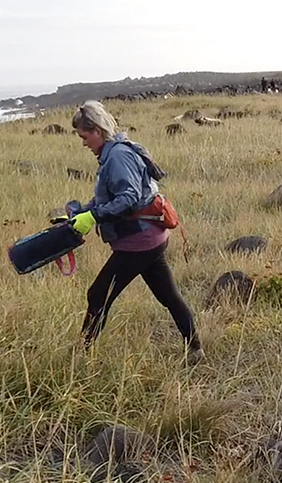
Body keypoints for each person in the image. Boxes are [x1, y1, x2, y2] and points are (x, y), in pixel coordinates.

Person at [67, 101, 203, 363]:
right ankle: (196, 348)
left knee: (98, 295)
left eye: (84, 137)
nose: (83, 143)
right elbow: (111, 198)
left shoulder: (117, 156)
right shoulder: (114, 153)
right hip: (150, 238)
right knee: (167, 295)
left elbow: (128, 198)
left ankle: (80, 356)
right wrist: (81, 213)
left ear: (96, 130)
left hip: (139, 242)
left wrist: (93, 216)